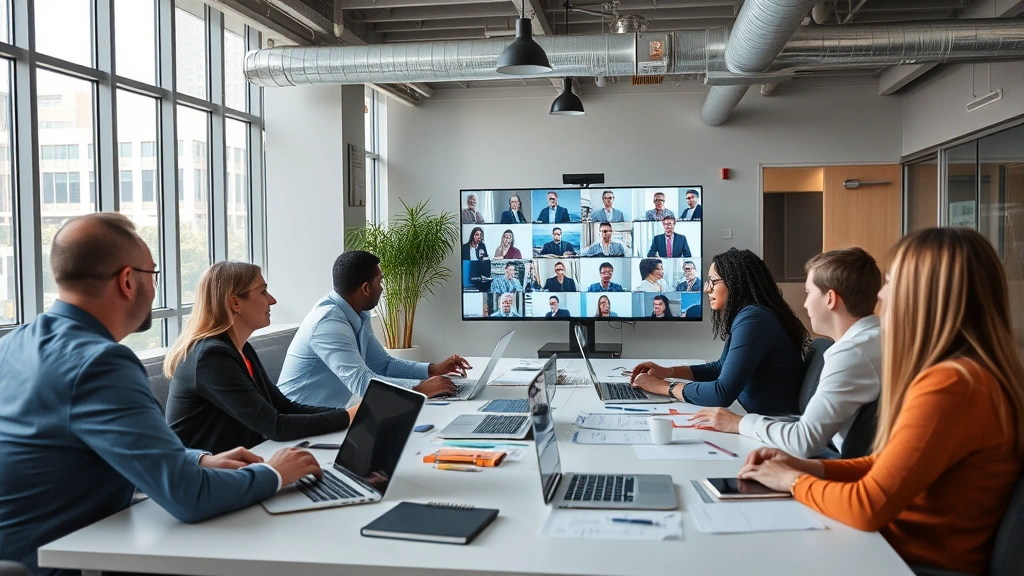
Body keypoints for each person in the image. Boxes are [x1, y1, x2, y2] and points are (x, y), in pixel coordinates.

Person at [0, 213, 319, 574]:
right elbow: (189, 498)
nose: (155, 289)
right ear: (127, 281)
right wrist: (276, 473)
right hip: (60, 563)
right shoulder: (100, 363)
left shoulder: (13, 345)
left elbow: (100, 447)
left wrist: (197, 459)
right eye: (153, 275)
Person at [738, 228, 1024, 575]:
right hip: (890, 549)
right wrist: (807, 467)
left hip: (907, 561)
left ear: (922, 294)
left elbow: (867, 506)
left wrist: (792, 482)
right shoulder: (975, 373)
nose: (883, 293)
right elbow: (886, 464)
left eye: (891, 281)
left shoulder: (952, 385)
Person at [691, 248, 882, 457]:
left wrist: (738, 422)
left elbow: (804, 441)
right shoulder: (876, 339)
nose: (805, 303)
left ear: (830, 299)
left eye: (808, 293)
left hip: (843, 464)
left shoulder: (851, 354)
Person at [164, 262, 358, 455]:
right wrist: (348, 416)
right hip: (206, 478)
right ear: (235, 303)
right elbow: (275, 426)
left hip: (240, 465)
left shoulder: (242, 348)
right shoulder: (210, 358)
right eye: (263, 292)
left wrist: (347, 414)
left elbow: (284, 407)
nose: (272, 300)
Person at [278, 251, 471, 406]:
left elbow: (383, 365)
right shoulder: (328, 323)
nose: (382, 288)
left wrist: (433, 370)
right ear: (365, 288)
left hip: (328, 417)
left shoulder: (358, 313)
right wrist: (419, 389)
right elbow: (362, 383)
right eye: (380, 282)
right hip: (299, 422)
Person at [631, 248, 807, 415]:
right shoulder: (752, 315)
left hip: (774, 423)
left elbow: (721, 393)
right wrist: (668, 371)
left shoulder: (754, 319)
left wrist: (662, 387)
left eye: (713, 281)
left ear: (735, 283)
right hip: (757, 415)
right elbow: (719, 368)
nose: (707, 288)